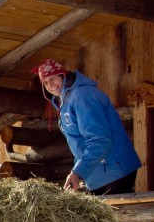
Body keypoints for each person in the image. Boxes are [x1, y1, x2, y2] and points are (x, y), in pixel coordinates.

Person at [34, 58, 141, 195]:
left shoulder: (82, 96)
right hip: (100, 173)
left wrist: (78, 172)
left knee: (114, 215)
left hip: (114, 169)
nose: (50, 85)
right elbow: (78, 145)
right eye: (45, 82)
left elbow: (99, 140)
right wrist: (79, 172)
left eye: (53, 78)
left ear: (63, 75)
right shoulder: (66, 102)